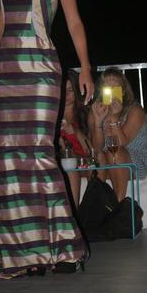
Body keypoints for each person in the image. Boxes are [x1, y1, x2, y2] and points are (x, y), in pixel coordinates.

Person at [0, 0, 94, 279]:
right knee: (9, 161)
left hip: (41, 71)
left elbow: (74, 21)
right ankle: (23, 253)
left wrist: (86, 69)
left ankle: (63, 247)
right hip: (9, 74)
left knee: (37, 154)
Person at [89, 67, 147, 201]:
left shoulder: (135, 110)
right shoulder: (95, 111)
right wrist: (97, 122)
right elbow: (96, 148)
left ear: (123, 90)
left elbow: (121, 143)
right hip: (107, 159)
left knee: (115, 152)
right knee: (100, 156)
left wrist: (114, 117)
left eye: (116, 87)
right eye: (107, 87)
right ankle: (98, 207)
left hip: (135, 157)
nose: (112, 91)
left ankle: (118, 206)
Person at [59, 69, 92, 207]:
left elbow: (91, 150)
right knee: (69, 159)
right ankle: (74, 214)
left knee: (95, 159)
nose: (66, 95)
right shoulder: (52, 115)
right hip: (64, 163)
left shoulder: (85, 114)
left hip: (83, 161)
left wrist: (76, 132)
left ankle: (97, 206)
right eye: (63, 90)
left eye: (70, 90)